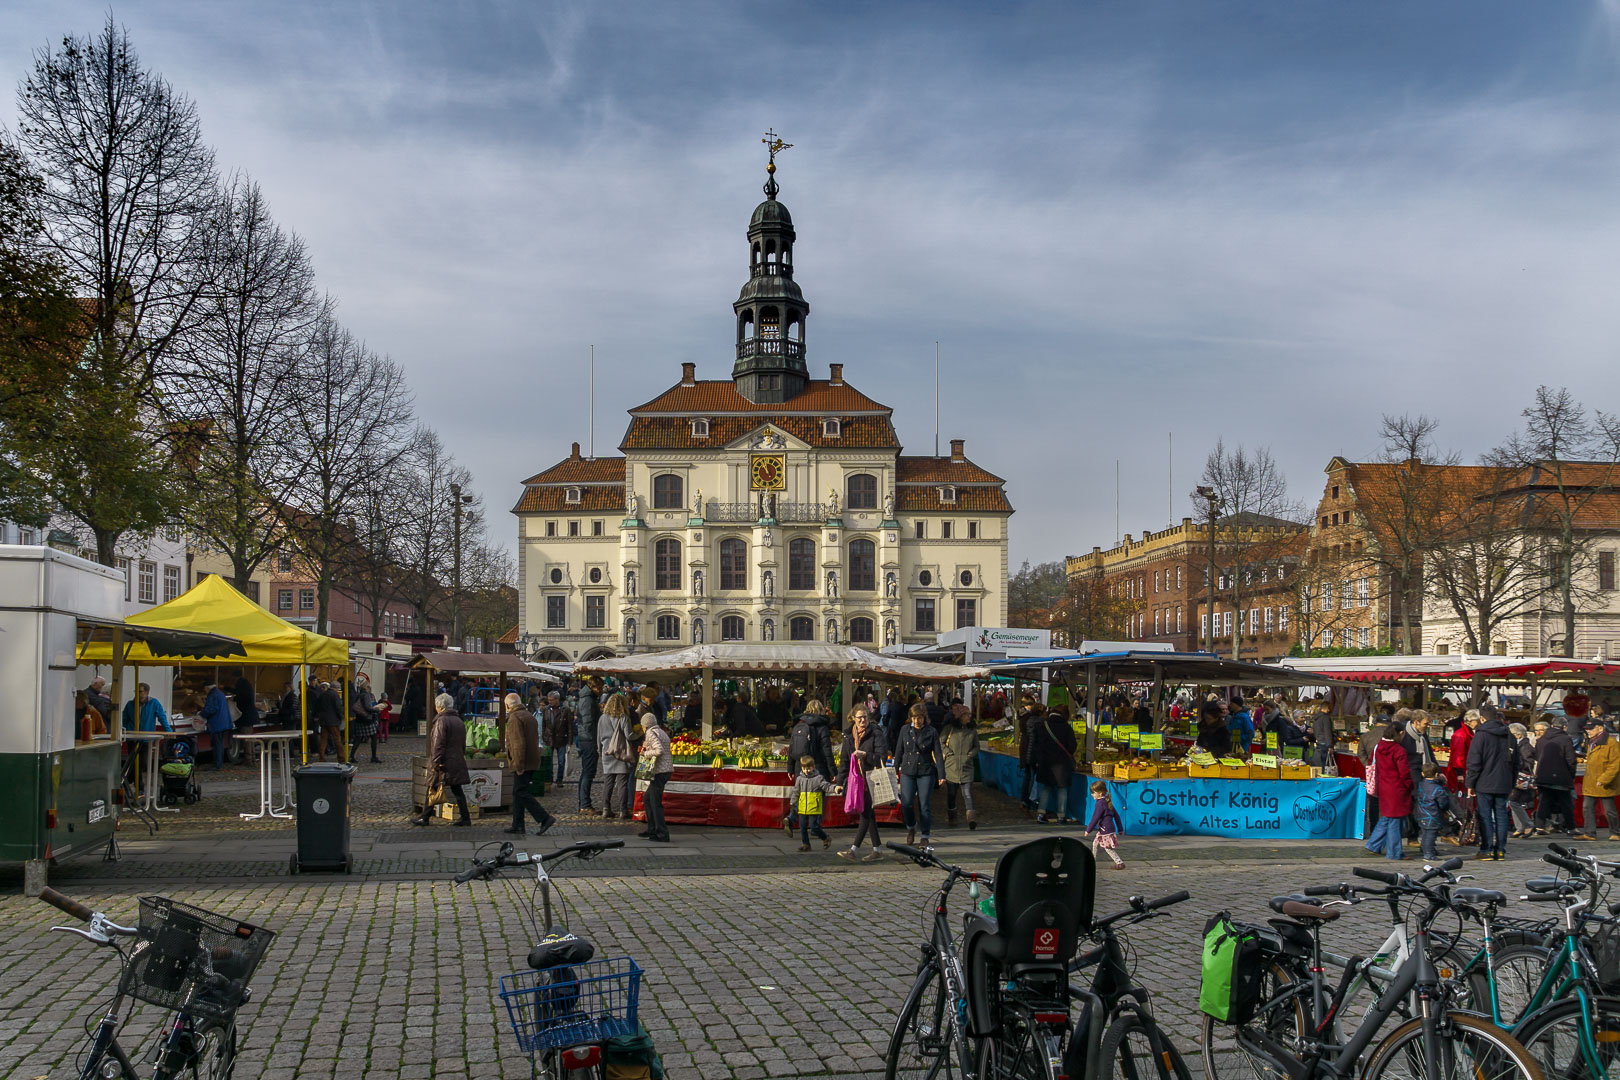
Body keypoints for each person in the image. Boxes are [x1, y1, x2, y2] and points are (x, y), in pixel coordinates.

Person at [1465, 702, 1519, 861]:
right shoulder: (1509, 735)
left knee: (1485, 816)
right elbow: (1516, 762)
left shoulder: (1480, 735)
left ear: (1482, 718)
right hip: (1503, 781)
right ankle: (1500, 849)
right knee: (1501, 816)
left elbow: (1474, 762)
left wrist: (1470, 783)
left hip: (1484, 782)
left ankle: (1486, 849)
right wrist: (1512, 783)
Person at [838, 707, 889, 862]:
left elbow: (882, 758)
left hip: (871, 778)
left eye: (865, 717)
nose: (862, 720)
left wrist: (866, 755)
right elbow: (844, 760)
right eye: (859, 718)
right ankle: (877, 850)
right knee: (869, 814)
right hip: (856, 781)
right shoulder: (848, 736)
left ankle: (853, 849)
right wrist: (840, 782)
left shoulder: (876, 733)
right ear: (853, 718)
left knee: (865, 813)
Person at [503, 693, 554, 836]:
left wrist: (518, 765)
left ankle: (544, 818)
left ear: (508, 705)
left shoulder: (515, 718)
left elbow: (518, 744)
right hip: (532, 759)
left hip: (523, 762)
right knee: (518, 792)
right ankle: (518, 825)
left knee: (521, 792)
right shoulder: (528, 715)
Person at [415, 693, 471, 827]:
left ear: (439, 706)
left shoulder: (441, 721)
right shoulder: (459, 721)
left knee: (432, 787)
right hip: (456, 759)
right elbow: (463, 743)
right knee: (457, 790)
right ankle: (465, 818)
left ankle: (425, 817)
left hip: (444, 761)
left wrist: (434, 763)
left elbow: (437, 744)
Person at [894, 703, 946, 846]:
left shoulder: (931, 731)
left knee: (924, 805)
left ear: (925, 718)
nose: (917, 721)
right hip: (907, 771)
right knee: (906, 803)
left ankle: (925, 835)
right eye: (914, 718)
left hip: (925, 771)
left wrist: (941, 774)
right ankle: (911, 827)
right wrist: (895, 768)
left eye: (920, 718)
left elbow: (938, 753)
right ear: (910, 718)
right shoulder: (905, 730)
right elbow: (899, 750)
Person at [1366, 723, 1413, 860]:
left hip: (1384, 786)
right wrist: (1409, 785)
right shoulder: (1399, 750)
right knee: (1394, 821)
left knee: (1387, 817)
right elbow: (1404, 772)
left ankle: (1373, 845)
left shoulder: (1379, 747)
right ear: (1398, 733)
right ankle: (1394, 852)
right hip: (1397, 788)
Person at [1031, 705, 1078, 823]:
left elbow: (1035, 745)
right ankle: (1061, 816)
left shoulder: (1042, 725)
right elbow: (1072, 746)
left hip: (1045, 763)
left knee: (1046, 788)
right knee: (1062, 789)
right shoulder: (1066, 728)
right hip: (1061, 763)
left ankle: (1041, 814)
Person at [1575, 718, 1619, 841]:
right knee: (1587, 808)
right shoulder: (1591, 742)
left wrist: (1604, 779)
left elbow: (1615, 764)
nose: (1588, 731)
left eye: (1591, 729)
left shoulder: (1611, 743)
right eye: (1587, 729)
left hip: (1605, 783)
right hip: (1591, 781)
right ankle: (1589, 833)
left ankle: (1615, 832)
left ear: (1600, 728)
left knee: (1609, 810)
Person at [1532, 718, 1578, 835]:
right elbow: (1571, 760)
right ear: (1565, 727)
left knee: (1544, 801)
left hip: (1543, 775)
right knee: (1566, 803)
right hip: (1560, 776)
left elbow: (1537, 757)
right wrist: (1571, 775)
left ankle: (1540, 826)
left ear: (1552, 726)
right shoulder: (1565, 739)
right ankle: (1571, 827)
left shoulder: (1541, 739)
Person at [792, 754, 843, 851]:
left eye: (809, 768)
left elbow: (826, 786)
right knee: (802, 827)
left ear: (813, 767)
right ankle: (806, 844)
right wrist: (793, 803)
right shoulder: (799, 779)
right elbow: (796, 792)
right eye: (804, 768)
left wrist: (835, 788)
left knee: (814, 827)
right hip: (803, 806)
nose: (806, 770)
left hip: (814, 806)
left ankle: (825, 838)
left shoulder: (818, 778)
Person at [941, 700, 979, 830]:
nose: (969, 716)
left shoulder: (972, 731)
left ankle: (971, 818)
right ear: (960, 716)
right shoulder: (949, 729)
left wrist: (971, 754)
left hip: (966, 766)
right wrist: (948, 753)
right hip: (951, 767)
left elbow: (976, 747)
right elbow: (941, 743)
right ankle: (952, 817)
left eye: (969, 714)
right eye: (966, 714)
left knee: (967, 793)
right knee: (951, 794)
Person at [598, 692, 635, 820]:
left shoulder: (602, 718)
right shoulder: (623, 717)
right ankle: (623, 810)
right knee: (622, 783)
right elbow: (629, 735)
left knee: (608, 782)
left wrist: (600, 751)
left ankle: (605, 809)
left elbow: (598, 737)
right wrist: (640, 733)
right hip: (620, 751)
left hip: (606, 751)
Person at [638, 708, 672, 843]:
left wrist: (645, 753)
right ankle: (652, 829)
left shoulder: (650, 733)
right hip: (666, 770)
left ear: (645, 725)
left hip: (659, 771)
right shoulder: (661, 732)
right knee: (647, 799)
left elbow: (659, 750)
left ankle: (662, 833)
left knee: (655, 803)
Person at [1083, 781, 1125, 869]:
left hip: (1105, 830)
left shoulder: (1100, 804)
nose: (1092, 795)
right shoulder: (1106, 801)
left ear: (1100, 793)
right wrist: (1120, 829)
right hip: (1106, 829)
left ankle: (1119, 862)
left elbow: (1095, 817)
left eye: (1093, 793)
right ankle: (1092, 860)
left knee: (1108, 848)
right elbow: (1117, 816)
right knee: (1095, 843)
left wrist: (1088, 830)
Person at [575, 677, 601, 815]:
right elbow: (588, 723)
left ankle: (584, 803)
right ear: (594, 687)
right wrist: (595, 741)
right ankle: (585, 804)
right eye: (599, 688)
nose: (601, 691)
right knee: (588, 772)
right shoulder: (588, 700)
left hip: (586, 738)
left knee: (587, 772)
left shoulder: (587, 698)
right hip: (588, 740)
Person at [1416, 762, 1451, 862]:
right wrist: (1445, 810)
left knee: (1425, 833)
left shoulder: (1421, 785)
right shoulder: (1438, 789)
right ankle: (1429, 854)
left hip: (1421, 814)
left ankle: (1425, 849)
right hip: (1433, 815)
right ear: (1436, 775)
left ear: (1422, 774)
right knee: (1431, 835)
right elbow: (1443, 803)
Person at [1506, 721, 1536, 837]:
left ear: (1519, 735)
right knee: (1514, 801)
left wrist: (1516, 764)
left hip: (1522, 777)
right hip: (1518, 776)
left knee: (1514, 801)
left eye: (1512, 734)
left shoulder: (1525, 747)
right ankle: (1520, 827)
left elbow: (1528, 763)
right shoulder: (1520, 746)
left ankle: (1527, 824)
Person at [1016, 695, 1044, 815]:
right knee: (1031, 777)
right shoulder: (1030, 719)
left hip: (1025, 748)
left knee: (1028, 776)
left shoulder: (1022, 716)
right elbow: (1032, 737)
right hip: (1030, 750)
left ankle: (1025, 800)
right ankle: (1028, 801)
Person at [349, 675, 381, 763]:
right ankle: (373, 757)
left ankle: (352, 756)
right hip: (367, 719)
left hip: (359, 719)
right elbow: (367, 707)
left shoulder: (359, 694)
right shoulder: (366, 695)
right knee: (374, 737)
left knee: (358, 739)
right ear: (367, 687)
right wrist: (376, 710)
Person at [312, 680, 345, 762]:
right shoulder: (335, 695)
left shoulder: (323, 694)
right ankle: (341, 757)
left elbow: (317, 706)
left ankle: (322, 757)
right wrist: (341, 716)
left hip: (323, 720)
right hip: (333, 720)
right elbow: (338, 707)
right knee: (337, 739)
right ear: (336, 688)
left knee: (323, 739)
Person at [544, 691, 573, 783]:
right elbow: (544, 725)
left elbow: (569, 726)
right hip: (549, 738)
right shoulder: (546, 709)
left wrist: (570, 741)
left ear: (557, 700)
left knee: (561, 761)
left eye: (551, 700)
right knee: (549, 761)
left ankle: (559, 779)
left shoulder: (565, 709)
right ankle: (549, 778)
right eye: (548, 700)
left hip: (561, 738)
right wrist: (544, 737)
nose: (549, 702)